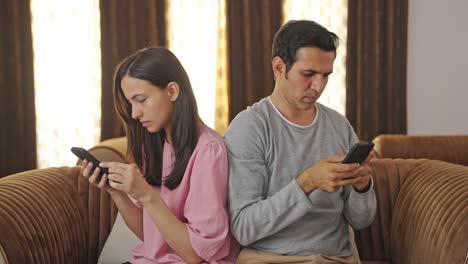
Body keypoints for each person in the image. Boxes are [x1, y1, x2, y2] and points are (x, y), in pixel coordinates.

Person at [224, 20, 377, 264]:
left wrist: (362, 186)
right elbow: (244, 227)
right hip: (272, 259)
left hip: (334, 258)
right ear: (278, 67)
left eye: (325, 76)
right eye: (308, 74)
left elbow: (360, 221)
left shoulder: (339, 125)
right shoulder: (249, 128)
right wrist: (307, 183)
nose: (318, 86)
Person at [81, 47, 239, 264]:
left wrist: (147, 194)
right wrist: (116, 192)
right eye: (130, 103)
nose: (135, 114)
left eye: (141, 99)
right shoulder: (154, 146)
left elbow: (195, 255)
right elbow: (152, 237)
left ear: (172, 91)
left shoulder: (208, 151)